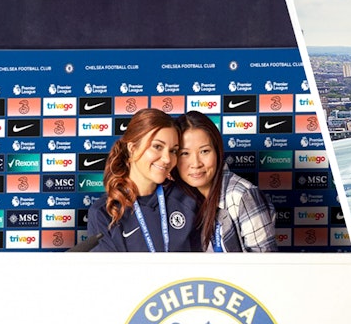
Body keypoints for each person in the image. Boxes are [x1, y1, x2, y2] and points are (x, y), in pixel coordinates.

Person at [87, 108, 199, 252]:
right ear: (132, 149)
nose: (167, 159)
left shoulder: (187, 199)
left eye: (173, 151)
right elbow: (108, 274)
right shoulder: (104, 212)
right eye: (157, 147)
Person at [172, 111, 277, 252]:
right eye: (185, 153)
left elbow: (265, 265)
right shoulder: (175, 196)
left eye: (204, 151)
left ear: (217, 152)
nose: (196, 163)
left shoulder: (242, 196)